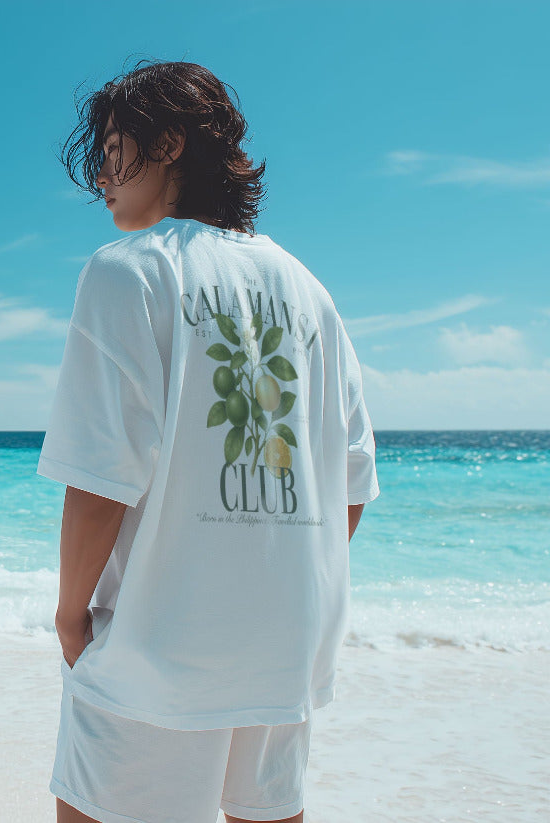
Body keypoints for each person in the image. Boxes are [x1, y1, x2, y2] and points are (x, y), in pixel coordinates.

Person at [38, 60, 380, 823]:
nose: (101, 176)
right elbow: (349, 485)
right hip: (286, 646)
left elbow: (100, 475)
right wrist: (274, 582)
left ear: (167, 143)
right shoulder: (310, 290)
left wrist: (70, 614)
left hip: (158, 647)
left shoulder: (127, 273)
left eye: (112, 148)